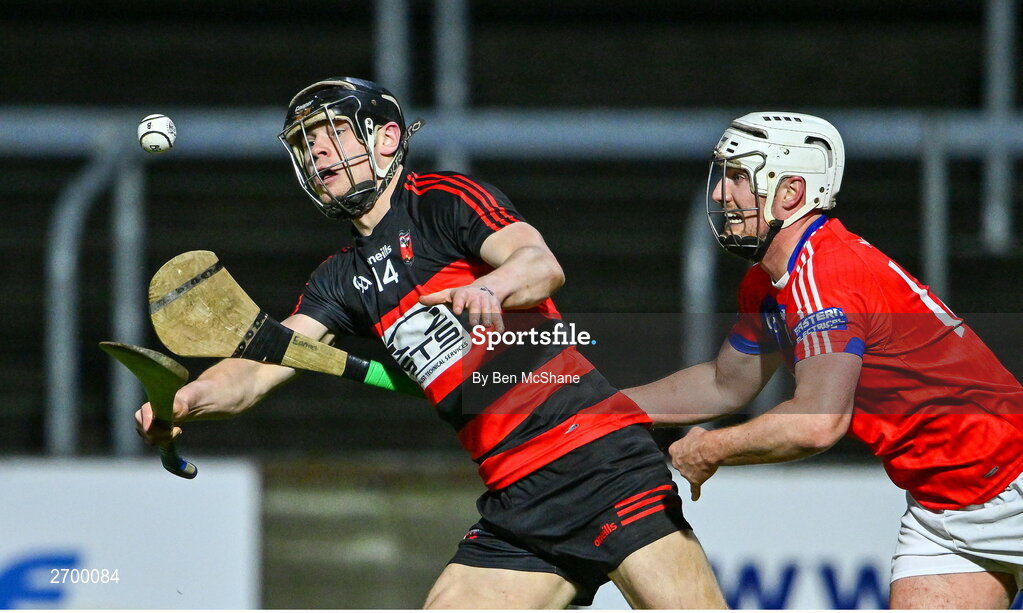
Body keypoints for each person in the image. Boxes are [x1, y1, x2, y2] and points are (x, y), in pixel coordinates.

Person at [135, 77, 726, 609]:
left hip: (597, 458)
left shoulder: (443, 200)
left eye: (332, 131)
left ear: (387, 138)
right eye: (307, 141)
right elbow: (259, 368)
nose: (316, 150)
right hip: (515, 493)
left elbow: (540, 264)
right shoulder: (340, 279)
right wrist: (186, 399)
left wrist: (490, 288)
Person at [624, 111, 1023, 609]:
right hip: (942, 506)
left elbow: (818, 423)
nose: (723, 195)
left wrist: (711, 449)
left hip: (1012, 478)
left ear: (790, 192)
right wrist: (598, 408)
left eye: (739, 177)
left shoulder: (827, 275)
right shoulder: (771, 282)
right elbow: (726, 384)